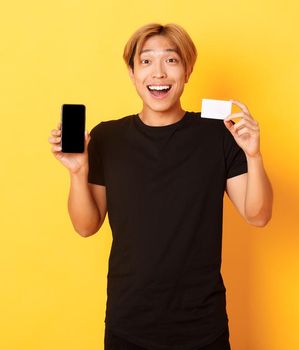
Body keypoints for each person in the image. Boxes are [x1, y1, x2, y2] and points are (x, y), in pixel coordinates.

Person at [47, 23, 274, 350]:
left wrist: (253, 155)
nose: (159, 73)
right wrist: (77, 171)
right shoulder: (107, 138)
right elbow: (86, 226)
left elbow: (258, 215)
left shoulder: (218, 134)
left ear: (188, 70)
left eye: (171, 61)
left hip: (202, 324)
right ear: (132, 72)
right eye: (146, 61)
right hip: (129, 322)